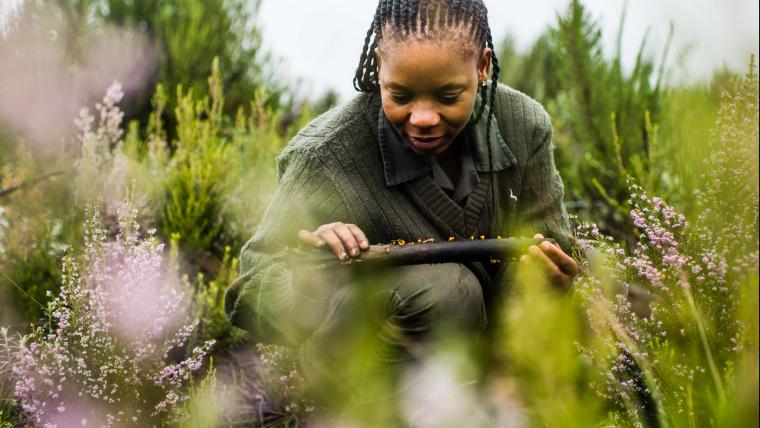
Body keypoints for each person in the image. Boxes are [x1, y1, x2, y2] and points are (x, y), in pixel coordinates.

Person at [225, 0, 578, 392]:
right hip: (359, 362)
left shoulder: (524, 124)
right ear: (379, 65)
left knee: (594, 271)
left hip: (480, 347)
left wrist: (543, 281)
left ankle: (492, 394)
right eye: (400, 95)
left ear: (482, 66)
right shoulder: (323, 155)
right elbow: (248, 297)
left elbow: (552, 241)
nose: (423, 118)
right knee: (450, 290)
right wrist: (308, 277)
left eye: (447, 96)